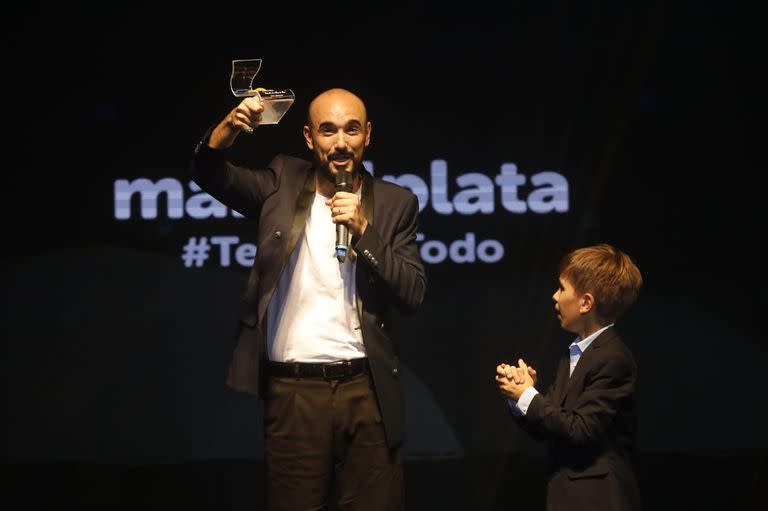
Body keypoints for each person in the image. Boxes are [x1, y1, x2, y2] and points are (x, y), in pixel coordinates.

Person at [190, 88, 427, 510]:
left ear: (367, 134)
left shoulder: (395, 203)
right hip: (294, 391)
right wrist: (229, 126)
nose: (340, 143)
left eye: (351, 130)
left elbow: (412, 293)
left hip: (365, 389)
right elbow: (210, 173)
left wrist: (364, 231)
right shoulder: (279, 183)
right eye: (328, 130)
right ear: (308, 137)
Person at [495, 243, 643, 511]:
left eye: (562, 289)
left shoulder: (613, 358)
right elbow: (549, 426)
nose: (554, 296)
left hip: (599, 499)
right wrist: (518, 395)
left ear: (586, 302)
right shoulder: (573, 355)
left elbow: (580, 429)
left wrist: (529, 396)